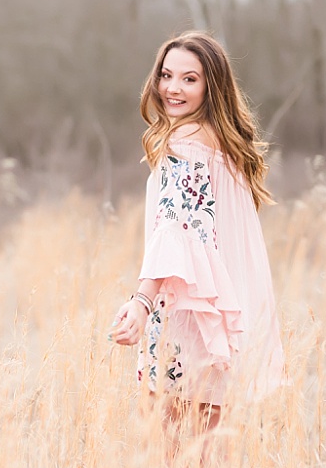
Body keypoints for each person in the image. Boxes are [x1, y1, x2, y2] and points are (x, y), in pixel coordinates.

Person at [109, 31, 283, 437]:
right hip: (221, 319)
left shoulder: (185, 143)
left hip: (187, 316)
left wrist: (141, 302)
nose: (172, 88)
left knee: (175, 463)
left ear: (211, 86)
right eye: (166, 75)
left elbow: (176, 232)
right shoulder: (224, 143)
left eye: (190, 79)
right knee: (209, 460)